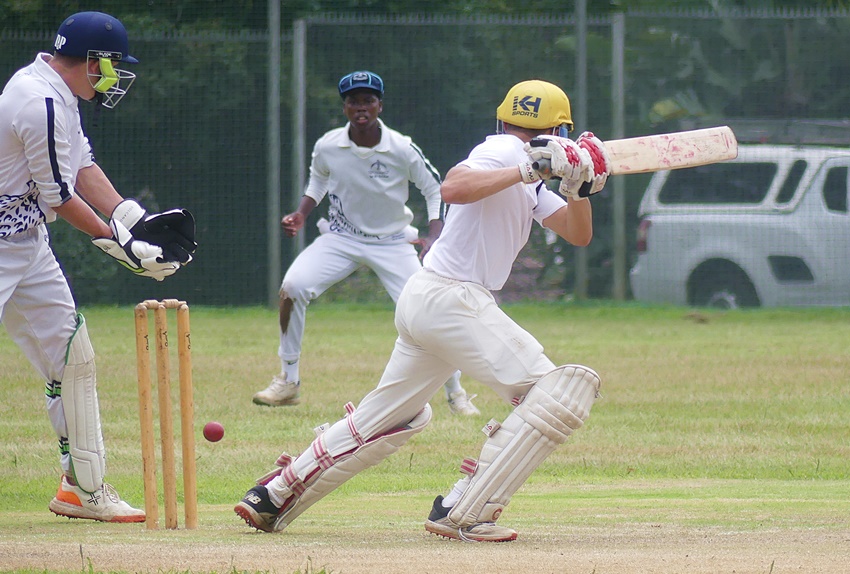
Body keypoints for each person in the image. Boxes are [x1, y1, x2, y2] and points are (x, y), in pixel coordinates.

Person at [234, 79, 608, 542]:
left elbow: (577, 234)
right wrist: (529, 170)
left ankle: (274, 494)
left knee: (391, 416)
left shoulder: (523, 167)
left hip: (431, 298)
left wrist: (580, 189)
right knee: (556, 393)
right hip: (453, 298)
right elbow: (454, 186)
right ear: (559, 129)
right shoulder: (504, 155)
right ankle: (463, 509)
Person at [0, 11, 197, 523]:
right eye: (111, 65)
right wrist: (119, 245)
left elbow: (82, 166)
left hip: (26, 240)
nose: (113, 76)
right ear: (92, 61)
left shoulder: (61, 96)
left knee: (72, 355)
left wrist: (134, 221)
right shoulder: (37, 100)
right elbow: (59, 195)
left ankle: (81, 489)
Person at [251, 70, 479, 417]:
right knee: (293, 287)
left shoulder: (401, 147)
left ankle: (456, 393)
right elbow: (318, 184)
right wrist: (301, 214)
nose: (361, 107)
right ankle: (288, 381)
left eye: (368, 100)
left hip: (392, 242)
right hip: (341, 238)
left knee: (428, 313)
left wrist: (434, 235)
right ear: (345, 107)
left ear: (379, 106)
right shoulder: (328, 146)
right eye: (353, 101)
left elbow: (435, 189)